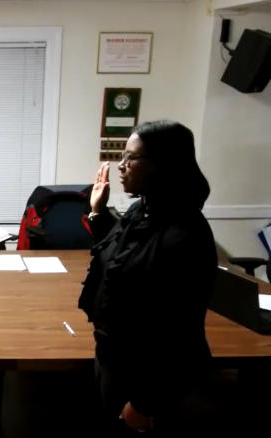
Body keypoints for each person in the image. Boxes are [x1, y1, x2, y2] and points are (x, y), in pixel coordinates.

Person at [78, 120, 217, 435]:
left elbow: (178, 332)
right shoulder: (143, 211)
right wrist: (97, 211)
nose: (122, 167)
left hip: (147, 380)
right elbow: (118, 257)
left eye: (131, 158)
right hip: (113, 358)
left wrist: (144, 403)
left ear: (162, 164)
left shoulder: (184, 234)